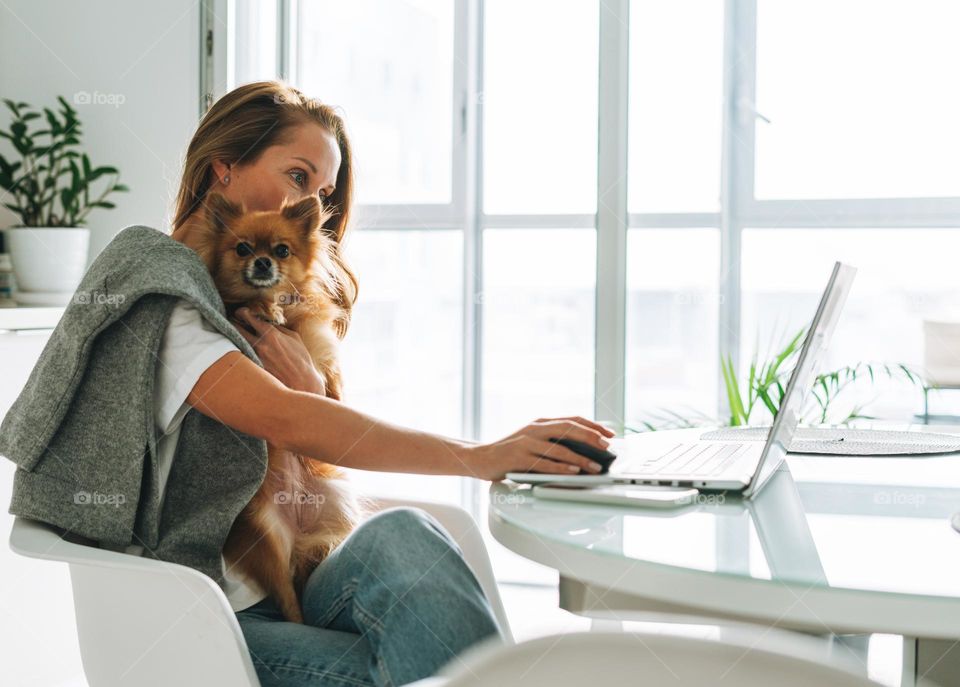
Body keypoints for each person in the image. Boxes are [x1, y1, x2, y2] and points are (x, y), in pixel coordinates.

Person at [167, 80, 614, 687]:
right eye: (298, 176)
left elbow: (311, 438)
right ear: (223, 169)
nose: (314, 207)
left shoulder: (269, 307)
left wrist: (315, 390)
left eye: (323, 192)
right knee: (428, 662)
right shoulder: (168, 297)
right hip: (214, 618)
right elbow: (290, 419)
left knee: (406, 535)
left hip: (298, 575)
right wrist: (483, 456)